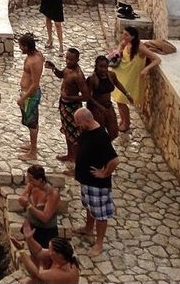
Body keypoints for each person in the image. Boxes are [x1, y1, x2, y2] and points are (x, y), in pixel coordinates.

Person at [72, 107, 119, 256]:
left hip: (97, 184)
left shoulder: (100, 136)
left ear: (87, 120)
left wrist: (104, 173)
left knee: (100, 214)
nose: (77, 125)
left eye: (78, 122)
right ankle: (88, 228)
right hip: (86, 181)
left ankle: (99, 243)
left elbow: (114, 160)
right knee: (89, 206)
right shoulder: (87, 130)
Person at [111, 25, 160, 132]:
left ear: (133, 36)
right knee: (119, 100)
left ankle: (126, 123)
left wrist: (146, 69)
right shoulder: (126, 42)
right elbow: (120, 45)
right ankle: (123, 120)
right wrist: (118, 51)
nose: (124, 36)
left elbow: (157, 59)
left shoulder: (140, 47)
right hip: (123, 72)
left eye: (126, 35)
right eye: (123, 34)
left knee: (121, 99)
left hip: (131, 76)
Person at [44, 48, 89, 166]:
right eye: (67, 58)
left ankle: (75, 160)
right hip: (64, 104)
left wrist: (69, 98)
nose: (68, 61)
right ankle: (69, 155)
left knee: (74, 134)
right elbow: (61, 75)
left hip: (72, 107)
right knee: (67, 131)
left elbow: (86, 96)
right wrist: (54, 68)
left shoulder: (78, 75)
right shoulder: (68, 69)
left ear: (77, 60)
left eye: (71, 60)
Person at [86, 55, 132, 140]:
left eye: (105, 67)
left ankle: (105, 146)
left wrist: (127, 94)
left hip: (108, 105)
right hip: (97, 108)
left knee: (114, 132)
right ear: (96, 66)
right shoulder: (92, 79)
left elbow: (117, 83)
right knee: (100, 132)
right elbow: (88, 96)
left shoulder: (111, 75)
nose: (103, 69)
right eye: (101, 67)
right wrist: (99, 107)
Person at [11, 225, 80, 283]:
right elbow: (39, 251)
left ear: (58, 255)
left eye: (50, 250)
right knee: (29, 281)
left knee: (34, 279)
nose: (48, 251)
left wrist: (22, 251)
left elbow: (37, 274)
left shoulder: (64, 273)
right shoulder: (62, 258)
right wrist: (30, 239)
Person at [16, 165, 60, 247]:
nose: (29, 182)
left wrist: (29, 205)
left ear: (40, 180)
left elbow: (45, 218)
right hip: (31, 225)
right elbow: (22, 198)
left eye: (31, 180)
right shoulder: (31, 186)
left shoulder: (52, 194)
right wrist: (23, 199)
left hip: (45, 231)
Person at [17, 33, 44, 160]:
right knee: (30, 122)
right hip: (26, 93)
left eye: (21, 46)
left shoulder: (34, 60)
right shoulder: (33, 55)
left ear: (27, 46)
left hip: (30, 96)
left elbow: (35, 84)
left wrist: (23, 98)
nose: (20, 48)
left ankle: (33, 152)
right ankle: (32, 145)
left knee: (32, 123)